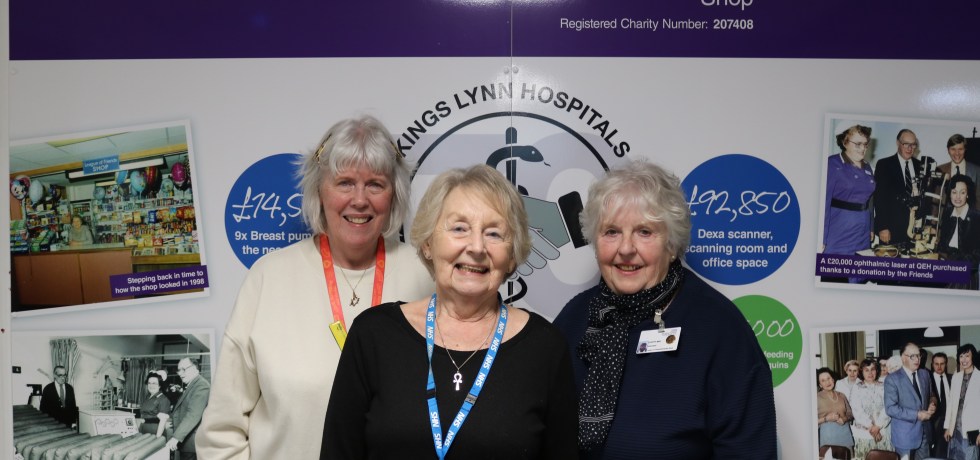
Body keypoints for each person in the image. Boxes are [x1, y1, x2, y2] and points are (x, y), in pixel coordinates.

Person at [197, 115, 434, 459]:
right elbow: (221, 432)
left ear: (394, 195)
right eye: (344, 182)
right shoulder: (269, 277)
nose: (359, 200)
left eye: (375, 184)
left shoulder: (427, 276)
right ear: (319, 191)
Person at [322, 164, 577, 459]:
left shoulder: (545, 348)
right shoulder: (373, 336)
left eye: (494, 233)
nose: (477, 247)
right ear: (428, 243)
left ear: (512, 255)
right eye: (459, 228)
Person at [552, 159, 776, 458]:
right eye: (612, 232)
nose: (626, 248)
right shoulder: (574, 319)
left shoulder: (720, 330)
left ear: (672, 244)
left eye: (644, 232)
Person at [823, 125, 875, 273]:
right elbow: (824, 202)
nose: (863, 148)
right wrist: (822, 237)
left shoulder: (867, 167)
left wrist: (871, 226)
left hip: (862, 230)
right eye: (857, 144)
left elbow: (870, 199)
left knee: (858, 272)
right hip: (839, 228)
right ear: (844, 142)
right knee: (837, 272)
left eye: (865, 144)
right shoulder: (832, 164)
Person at [885, 342, 937, 459]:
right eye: (912, 356)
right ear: (903, 358)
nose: (917, 359)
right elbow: (890, 408)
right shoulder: (892, 379)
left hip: (925, 434)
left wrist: (932, 404)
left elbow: (932, 395)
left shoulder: (925, 374)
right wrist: (917, 415)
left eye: (918, 355)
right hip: (904, 437)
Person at [875, 129, 923, 246]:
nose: (909, 148)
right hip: (890, 230)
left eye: (913, 145)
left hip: (915, 231)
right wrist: (883, 227)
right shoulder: (884, 165)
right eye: (906, 144)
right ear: (898, 143)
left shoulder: (920, 166)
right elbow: (879, 197)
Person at [938, 175, 980, 289]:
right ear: (950, 194)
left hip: (966, 272)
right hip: (947, 265)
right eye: (954, 192)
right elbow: (942, 245)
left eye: (962, 192)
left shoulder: (976, 217)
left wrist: (956, 266)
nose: (957, 197)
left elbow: (977, 255)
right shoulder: (947, 213)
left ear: (968, 194)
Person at [167, 358, 210, 460]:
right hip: (187, 442)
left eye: (184, 369)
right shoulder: (192, 385)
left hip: (192, 443)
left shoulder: (201, 385)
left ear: (195, 369)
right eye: (178, 370)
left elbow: (193, 415)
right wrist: (171, 420)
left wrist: (176, 437)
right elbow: (183, 409)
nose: (180, 373)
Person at [944, 344, 980, 460]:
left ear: (973, 356)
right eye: (961, 356)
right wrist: (947, 427)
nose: (963, 360)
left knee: (970, 456)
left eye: (967, 356)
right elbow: (950, 404)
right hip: (955, 429)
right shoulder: (956, 377)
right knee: (954, 457)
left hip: (973, 429)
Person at [851, 359, 893, 458]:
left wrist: (878, 426)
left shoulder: (884, 386)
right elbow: (857, 410)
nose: (870, 373)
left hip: (882, 432)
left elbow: (889, 407)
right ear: (861, 372)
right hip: (864, 433)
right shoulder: (856, 388)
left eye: (873, 369)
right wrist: (871, 427)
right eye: (866, 370)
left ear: (877, 371)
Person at [818, 367, 855, 454]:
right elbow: (810, 422)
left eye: (829, 378)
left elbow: (850, 414)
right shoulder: (816, 398)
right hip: (827, 436)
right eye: (823, 381)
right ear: (820, 385)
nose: (827, 382)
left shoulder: (841, 395)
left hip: (845, 434)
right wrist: (826, 419)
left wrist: (844, 419)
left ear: (833, 379)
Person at [938, 134, 980, 208]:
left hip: (970, 217)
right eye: (953, 149)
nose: (957, 153)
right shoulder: (939, 170)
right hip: (945, 218)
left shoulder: (977, 171)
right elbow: (936, 200)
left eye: (960, 149)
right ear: (948, 150)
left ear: (965, 149)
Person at [932, 352, 953, 458]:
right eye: (936, 364)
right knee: (935, 452)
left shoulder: (953, 379)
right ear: (932, 364)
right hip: (933, 422)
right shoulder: (927, 379)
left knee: (948, 451)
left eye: (942, 364)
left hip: (950, 422)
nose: (939, 367)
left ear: (946, 364)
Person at [139, 372, 171, 437]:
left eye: (154, 383)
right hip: (143, 430)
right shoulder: (147, 397)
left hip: (155, 432)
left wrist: (157, 437)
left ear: (160, 385)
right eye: (149, 383)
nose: (151, 385)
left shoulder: (163, 399)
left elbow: (163, 421)